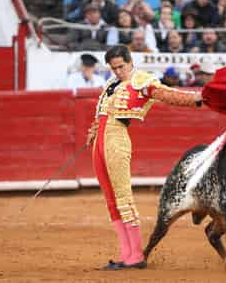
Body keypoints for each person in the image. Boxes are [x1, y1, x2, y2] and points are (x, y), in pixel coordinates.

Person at [86, 45, 202, 270]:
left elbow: (168, 95)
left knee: (123, 198)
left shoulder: (142, 81)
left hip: (116, 139)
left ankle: (136, 255)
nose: (118, 72)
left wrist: (195, 99)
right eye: (114, 68)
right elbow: (101, 114)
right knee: (111, 201)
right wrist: (92, 132)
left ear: (130, 62)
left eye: (121, 66)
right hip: (99, 143)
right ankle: (125, 254)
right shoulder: (111, 85)